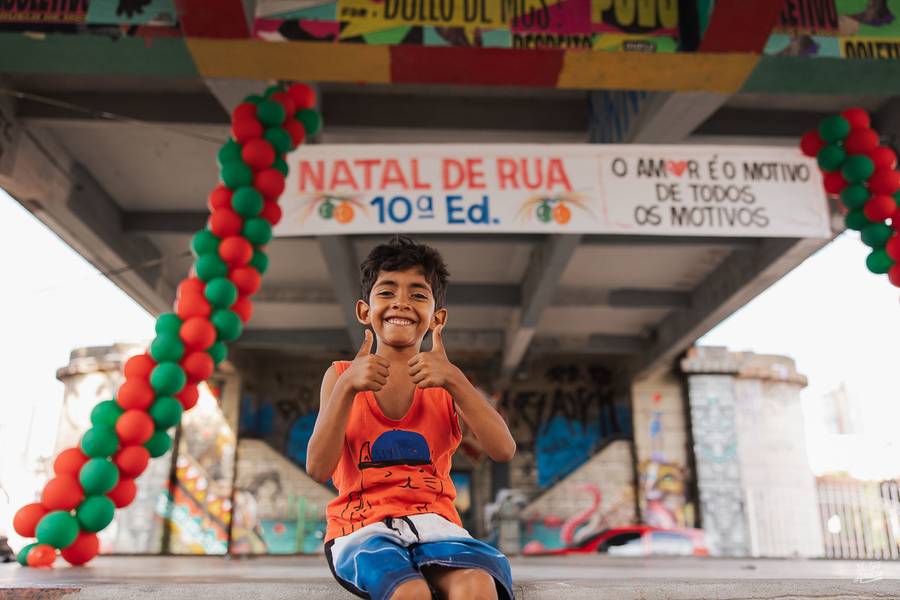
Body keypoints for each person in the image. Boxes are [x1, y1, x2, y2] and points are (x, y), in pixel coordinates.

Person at [306, 236, 517, 600]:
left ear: (438, 317)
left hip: (438, 527)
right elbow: (318, 468)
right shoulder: (341, 375)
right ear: (363, 311)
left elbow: (503, 450)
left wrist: (453, 378)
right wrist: (346, 389)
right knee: (410, 592)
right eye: (387, 292)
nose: (401, 302)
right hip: (361, 529)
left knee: (477, 584)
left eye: (418, 294)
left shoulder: (447, 382)